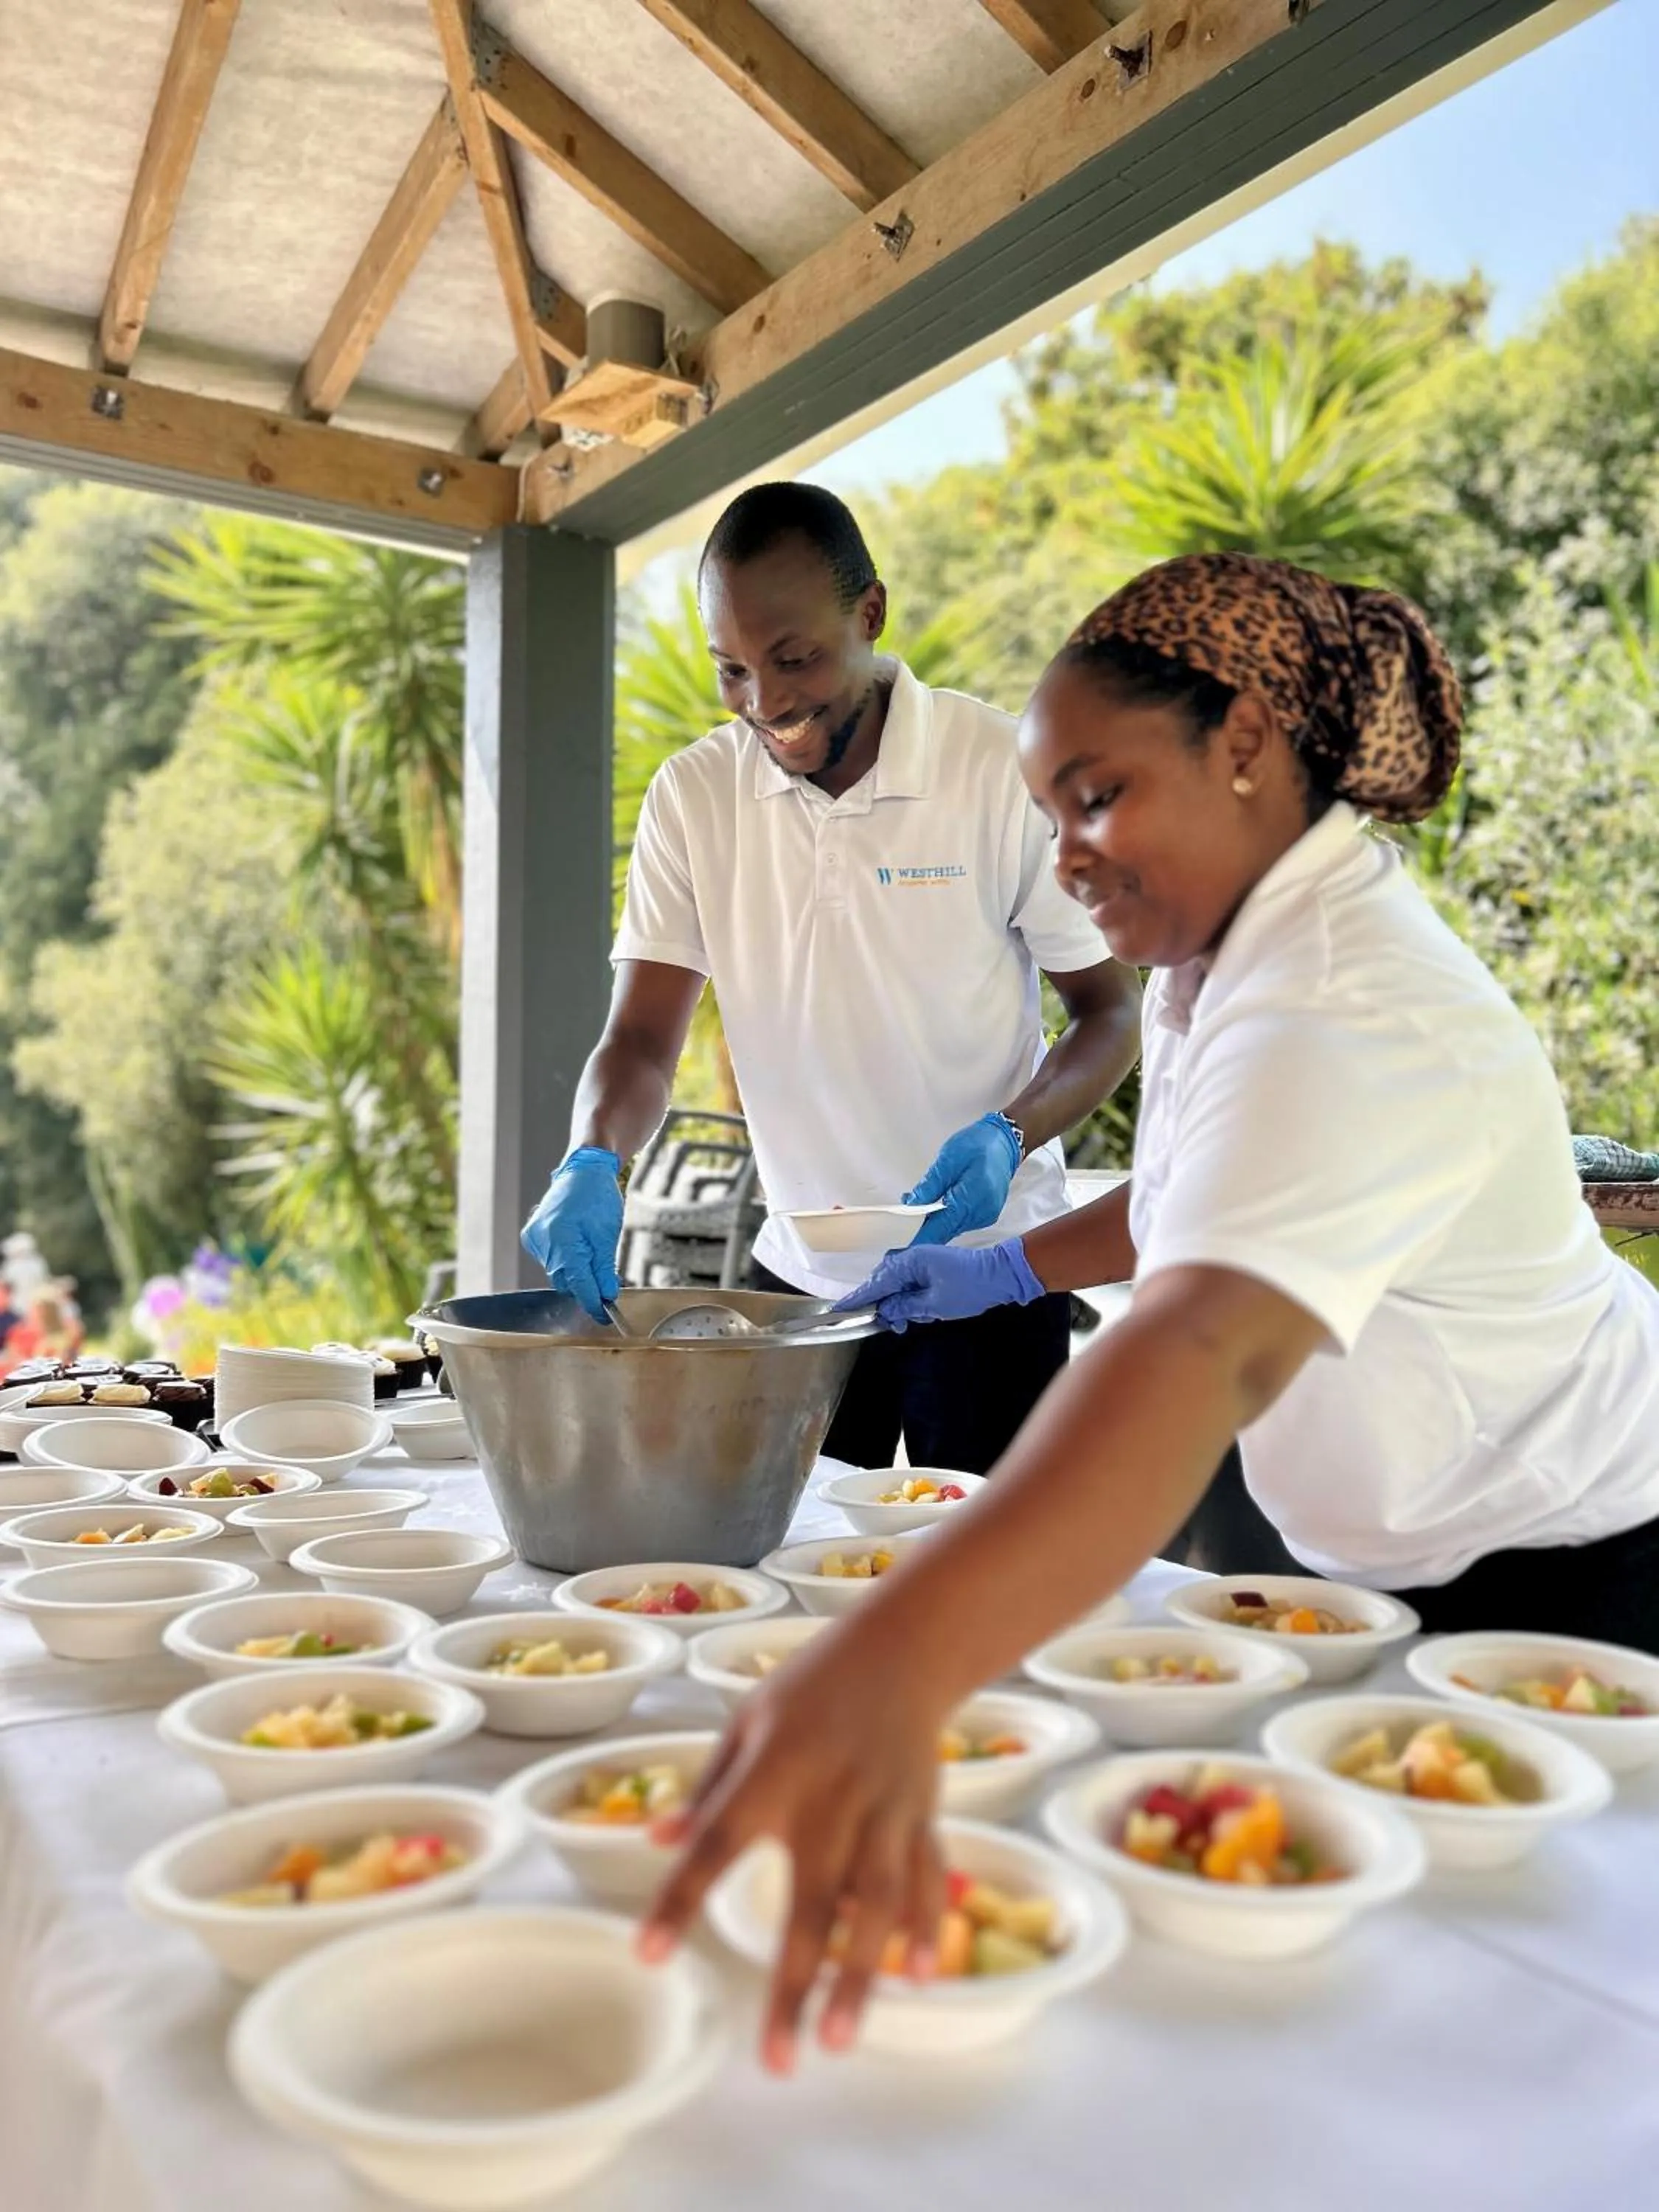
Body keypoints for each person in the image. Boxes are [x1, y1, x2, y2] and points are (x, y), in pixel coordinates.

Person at [636, 552, 1659, 2071]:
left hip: (1565, 1574)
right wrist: (1012, 1265)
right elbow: (1199, 1197)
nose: (1068, 862)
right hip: (1391, 1565)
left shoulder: (1342, 997)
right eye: (1052, 820)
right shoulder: (1215, 960)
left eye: (1098, 800)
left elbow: (1202, 1345)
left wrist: (886, 1668)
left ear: (1244, 743)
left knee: (1532, 2047)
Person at [521, 483, 1141, 1473]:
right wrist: (592, 1160)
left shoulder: (995, 770)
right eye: (730, 668)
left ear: (869, 614)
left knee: (973, 1597)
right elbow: (641, 1039)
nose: (764, 701)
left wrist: (1008, 1135)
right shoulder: (694, 797)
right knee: (776, 1592)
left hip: (988, 1281)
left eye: (793, 657)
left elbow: (1110, 1015)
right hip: (798, 1289)